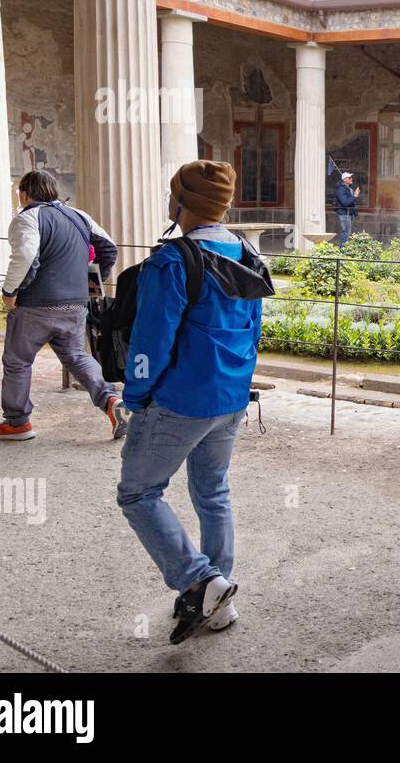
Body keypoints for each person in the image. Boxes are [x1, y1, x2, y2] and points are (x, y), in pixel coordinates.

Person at [117, 160, 275, 645]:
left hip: (179, 402)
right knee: (212, 493)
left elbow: (150, 342)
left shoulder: (173, 261)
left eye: (173, 194)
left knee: (138, 493)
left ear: (183, 202)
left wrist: (135, 395)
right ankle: (218, 603)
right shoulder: (247, 254)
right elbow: (253, 331)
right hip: (231, 399)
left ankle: (201, 581)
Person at [0, 170, 126, 442]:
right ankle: (110, 400)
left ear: (25, 193)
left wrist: (10, 291)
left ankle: (17, 423)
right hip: (74, 304)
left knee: (17, 362)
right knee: (77, 356)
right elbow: (108, 247)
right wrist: (93, 281)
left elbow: (26, 256)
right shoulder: (79, 216)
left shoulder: (27, 218)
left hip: (35, 307)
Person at [332, 167, 360, 248]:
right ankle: (342, 250)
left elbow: (350, 202)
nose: (352, 179)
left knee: (348, 232)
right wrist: (354, 196)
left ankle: (345, 249)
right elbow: (345, 203)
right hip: (344, 213)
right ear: (344, 179)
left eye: (351, 177)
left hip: (349, 213)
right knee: (346, 232)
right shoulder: (341, 189)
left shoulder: (348, 189)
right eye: (349, 178)